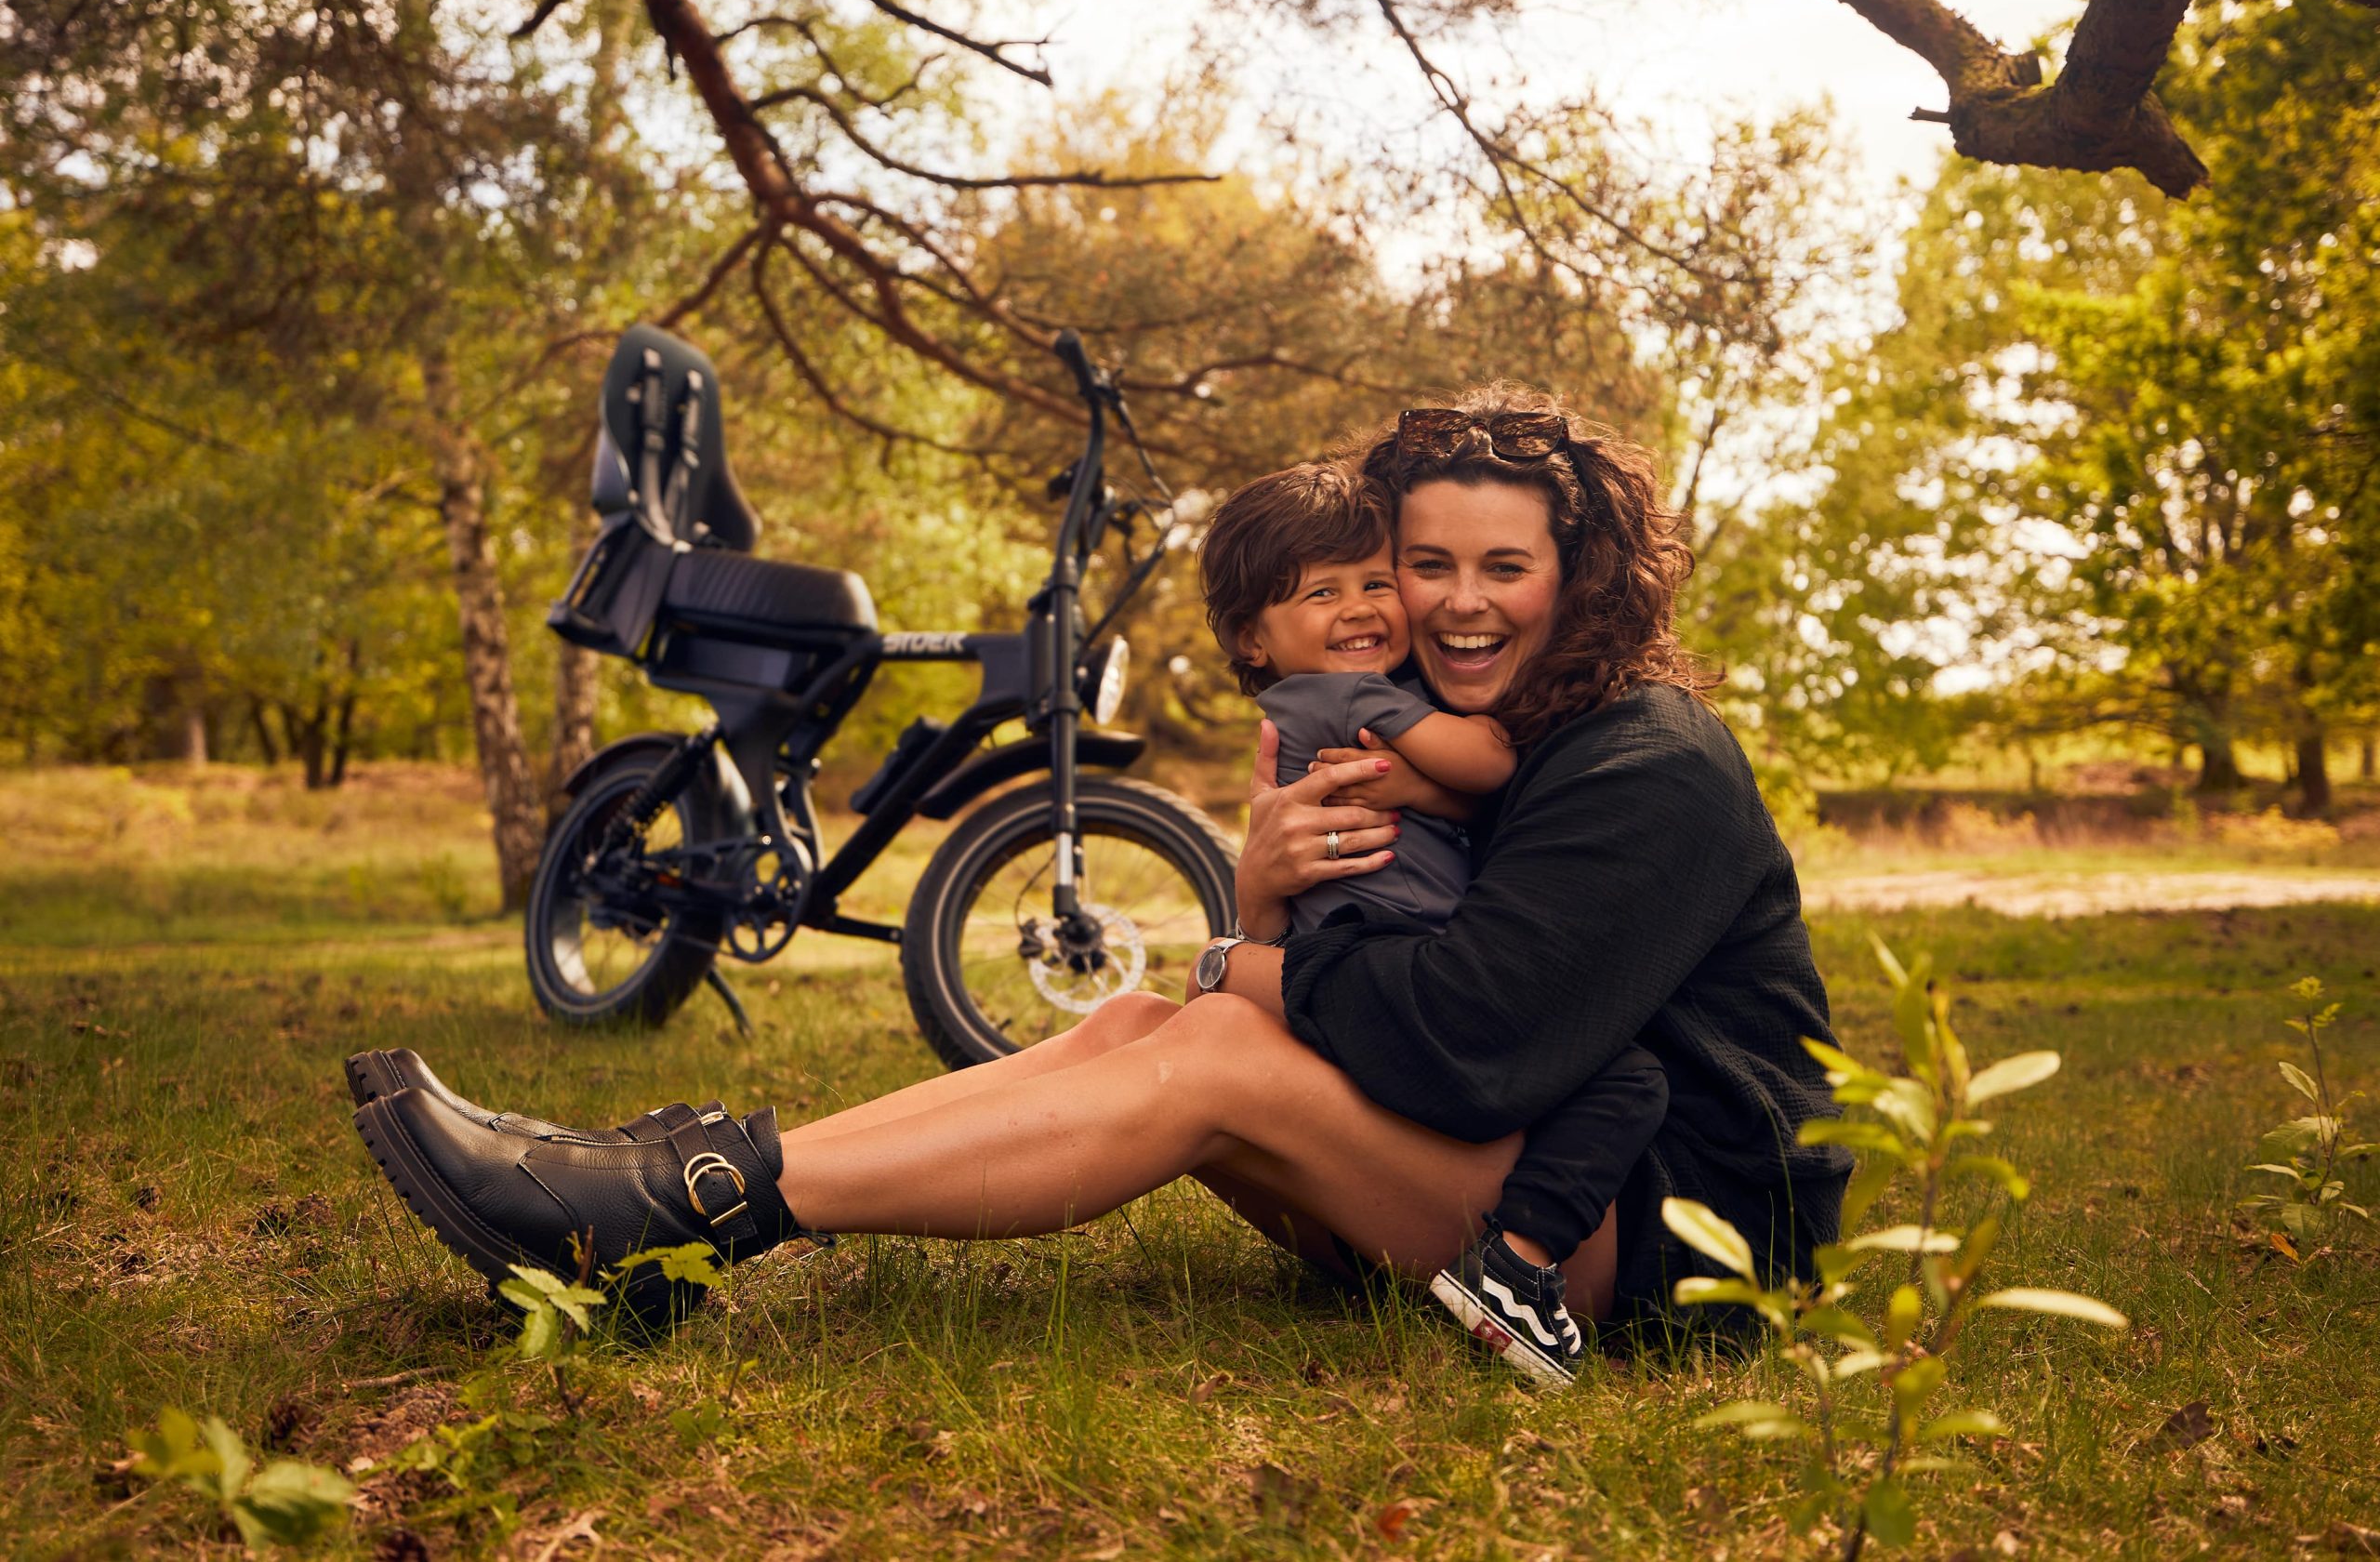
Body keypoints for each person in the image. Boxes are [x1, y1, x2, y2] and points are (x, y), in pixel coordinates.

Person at [347, 382, 1849, 1359]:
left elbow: (1467, 1040)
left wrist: (1235, 962)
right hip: (1526, 1167)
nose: (1452, 603)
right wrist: (1261, 905)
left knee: (1206, 1048)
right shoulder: (1483, 729)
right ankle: (671, 1170)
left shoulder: (1645, 754)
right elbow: (1399, 978)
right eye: (1422, 566)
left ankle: (668, 1210)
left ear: (1582, 574)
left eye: (1502, 569)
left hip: (1678, 1246)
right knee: (1139, 1029)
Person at [1189, 459, 1668, 1385]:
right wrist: (1471, 761)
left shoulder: (1312, 695)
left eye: (1373, 581)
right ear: (1254, 635)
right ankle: (1519, 1267)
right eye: (1323, 590)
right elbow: (1488, 760)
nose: (1361, 606)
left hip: (1356, 941)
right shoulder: (1354, 695)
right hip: (1392, 952)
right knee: (1624, 1078)